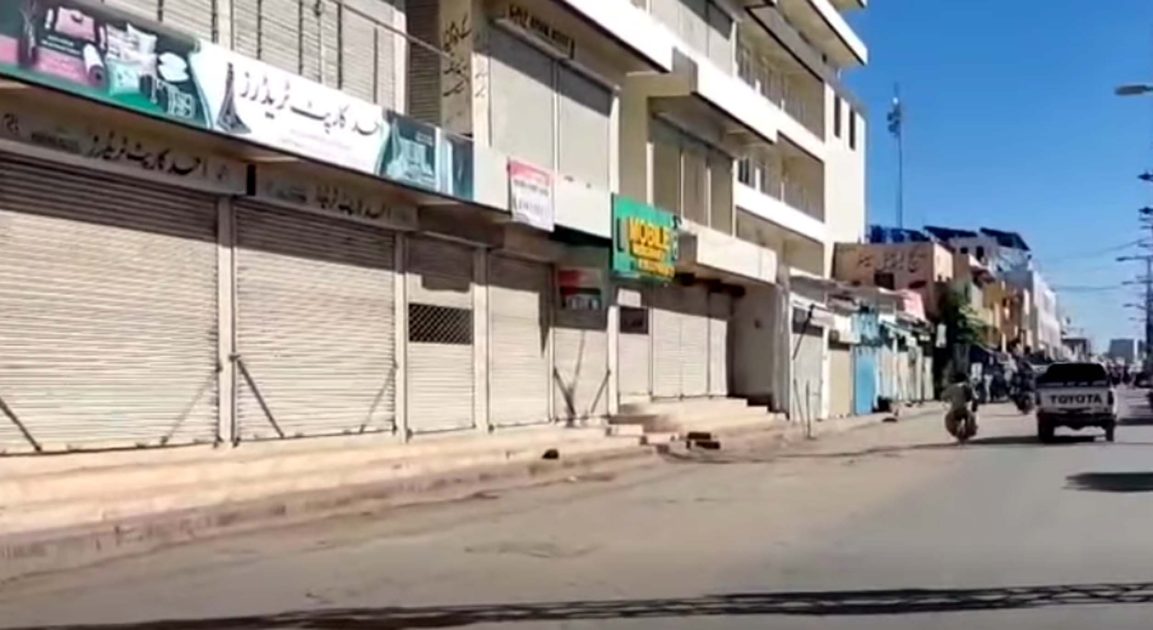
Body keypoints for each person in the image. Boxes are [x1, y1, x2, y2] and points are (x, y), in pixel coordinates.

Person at [943, 372, 977, 439]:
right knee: (973, 418)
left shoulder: (951, 388)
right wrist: (974, 407)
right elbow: (975, 398)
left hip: (955, 410)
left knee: (948, 419)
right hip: (965, 410)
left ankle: (955, 432)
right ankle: (970, 431)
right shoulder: (968, 387)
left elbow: (944, 397)